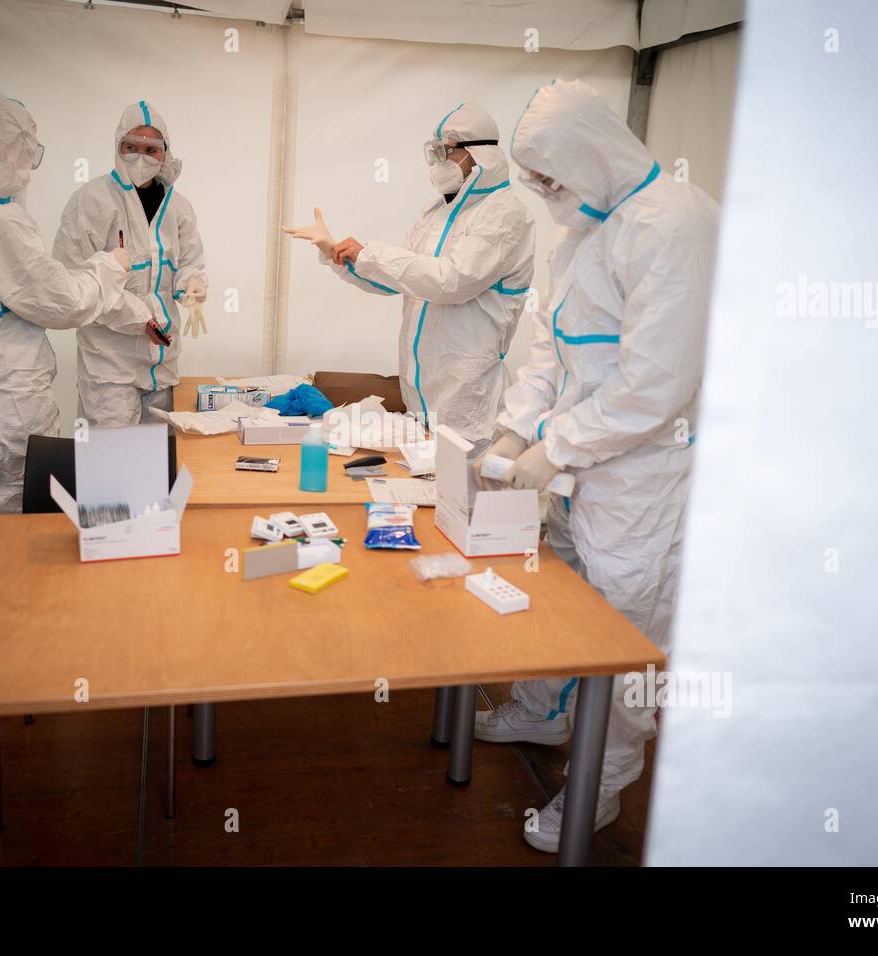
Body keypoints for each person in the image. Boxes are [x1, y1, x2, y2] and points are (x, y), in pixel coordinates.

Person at [473, 80, 720, 852]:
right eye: (536, 180)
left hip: (640, 478)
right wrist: (516, 432)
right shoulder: (584, 228)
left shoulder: (674, 223)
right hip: (577, 470)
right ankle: (545, 710)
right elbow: (548, 345)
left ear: (590, 153)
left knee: (625, 632)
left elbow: (657, 386)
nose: (546, 194)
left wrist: (556, 448)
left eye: (552, 178)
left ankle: (603, 782)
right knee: (560, 601)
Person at [0, 88, 156, 515]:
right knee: (14, 518)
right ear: (6, 148)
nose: (29, 168)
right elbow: (63, 302)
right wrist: (110, 265)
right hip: (5, 409)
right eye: (26, 152)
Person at [283, 103, 534, 451]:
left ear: (478, 154)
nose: (439, 162)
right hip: (420, 394)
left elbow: (452, 281)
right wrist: (337, 255)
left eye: (447, 151)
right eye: (435, 152)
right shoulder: (435, 213)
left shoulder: (505, 214)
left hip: (467, 402)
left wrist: (370, 253)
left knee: (462, 497)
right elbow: (397, 279)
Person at [54, 101, 207, 427]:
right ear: (117, 147)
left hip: (162, 361)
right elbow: (71, 281)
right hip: (109, 362)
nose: (140, 156)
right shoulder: (91, 200)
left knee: (156, 458)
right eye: (131, 147)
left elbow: (190, 261)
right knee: (112, 460)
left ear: (164, 152)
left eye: (151, 149)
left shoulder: (178, 207)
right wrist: (136, 316)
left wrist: (191, 284)